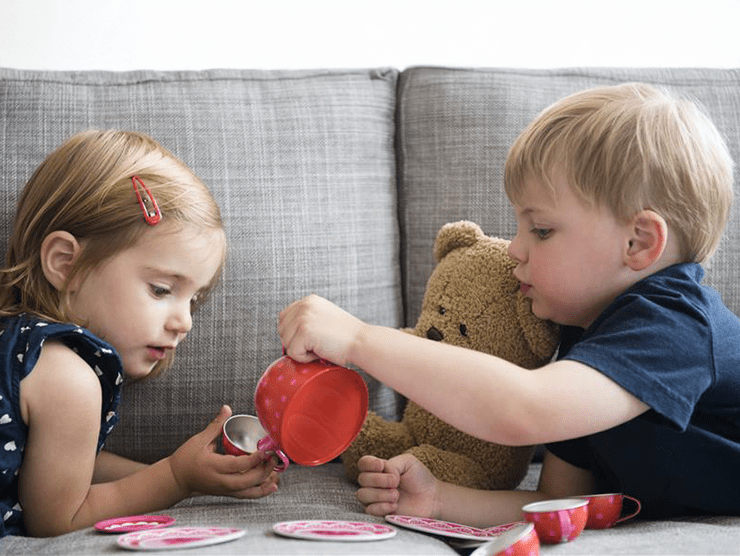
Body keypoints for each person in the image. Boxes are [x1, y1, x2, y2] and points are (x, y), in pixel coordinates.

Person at [278, 83, 740, 526]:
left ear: (638, 242)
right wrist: (439, 499)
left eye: (540, 230)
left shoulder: (674, 324)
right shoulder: (590, 334)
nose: (514, 249)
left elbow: (524, 410)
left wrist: (359, 339)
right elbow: (558, 500)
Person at [0, 130, 279, 537]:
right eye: (162, 290)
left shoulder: (24, 348)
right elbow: (57, 517)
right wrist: (175, 478)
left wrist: (191, 471)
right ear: (65, 264)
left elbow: (64, 465)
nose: (184, 322)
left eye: (194, 300)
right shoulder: (67, 378)